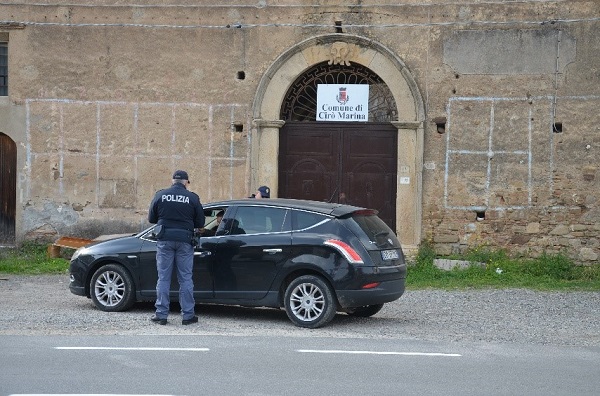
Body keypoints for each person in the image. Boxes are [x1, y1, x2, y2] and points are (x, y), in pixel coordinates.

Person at [148, 170, 205, 325]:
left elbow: (151, 218)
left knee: (163, 278)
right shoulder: (192, 198)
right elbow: (200, 222)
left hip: (165, 240)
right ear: (186, 182)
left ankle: (161, 315)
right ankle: (188, 316)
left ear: (172, 180)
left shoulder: (161, 195)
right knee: (185, 278)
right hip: (185, 241)